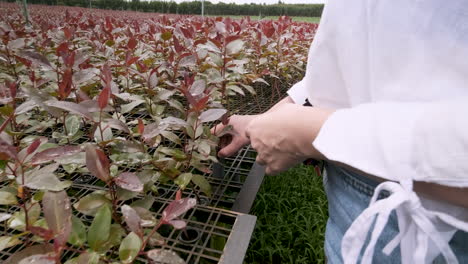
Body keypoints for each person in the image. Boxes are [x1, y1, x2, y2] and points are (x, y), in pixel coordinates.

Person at [213, 0, 468, 263]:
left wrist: (308, 134)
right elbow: (362, 54)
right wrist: (268, 119)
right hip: (363, 184)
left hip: (428, 220)